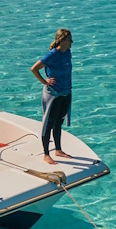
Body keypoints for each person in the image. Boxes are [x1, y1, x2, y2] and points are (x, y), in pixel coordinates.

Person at [31, 28, 73, 165]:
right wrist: (45, 81)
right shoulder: (52, 55)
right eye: (69, 39)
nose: (72, 42)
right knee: (49, 124)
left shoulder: (68, 52)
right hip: (53, 94)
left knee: (59, 122)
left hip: (66, 93)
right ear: (61, 40)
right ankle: (46, 154)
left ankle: (58, 150)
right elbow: (34, 68)